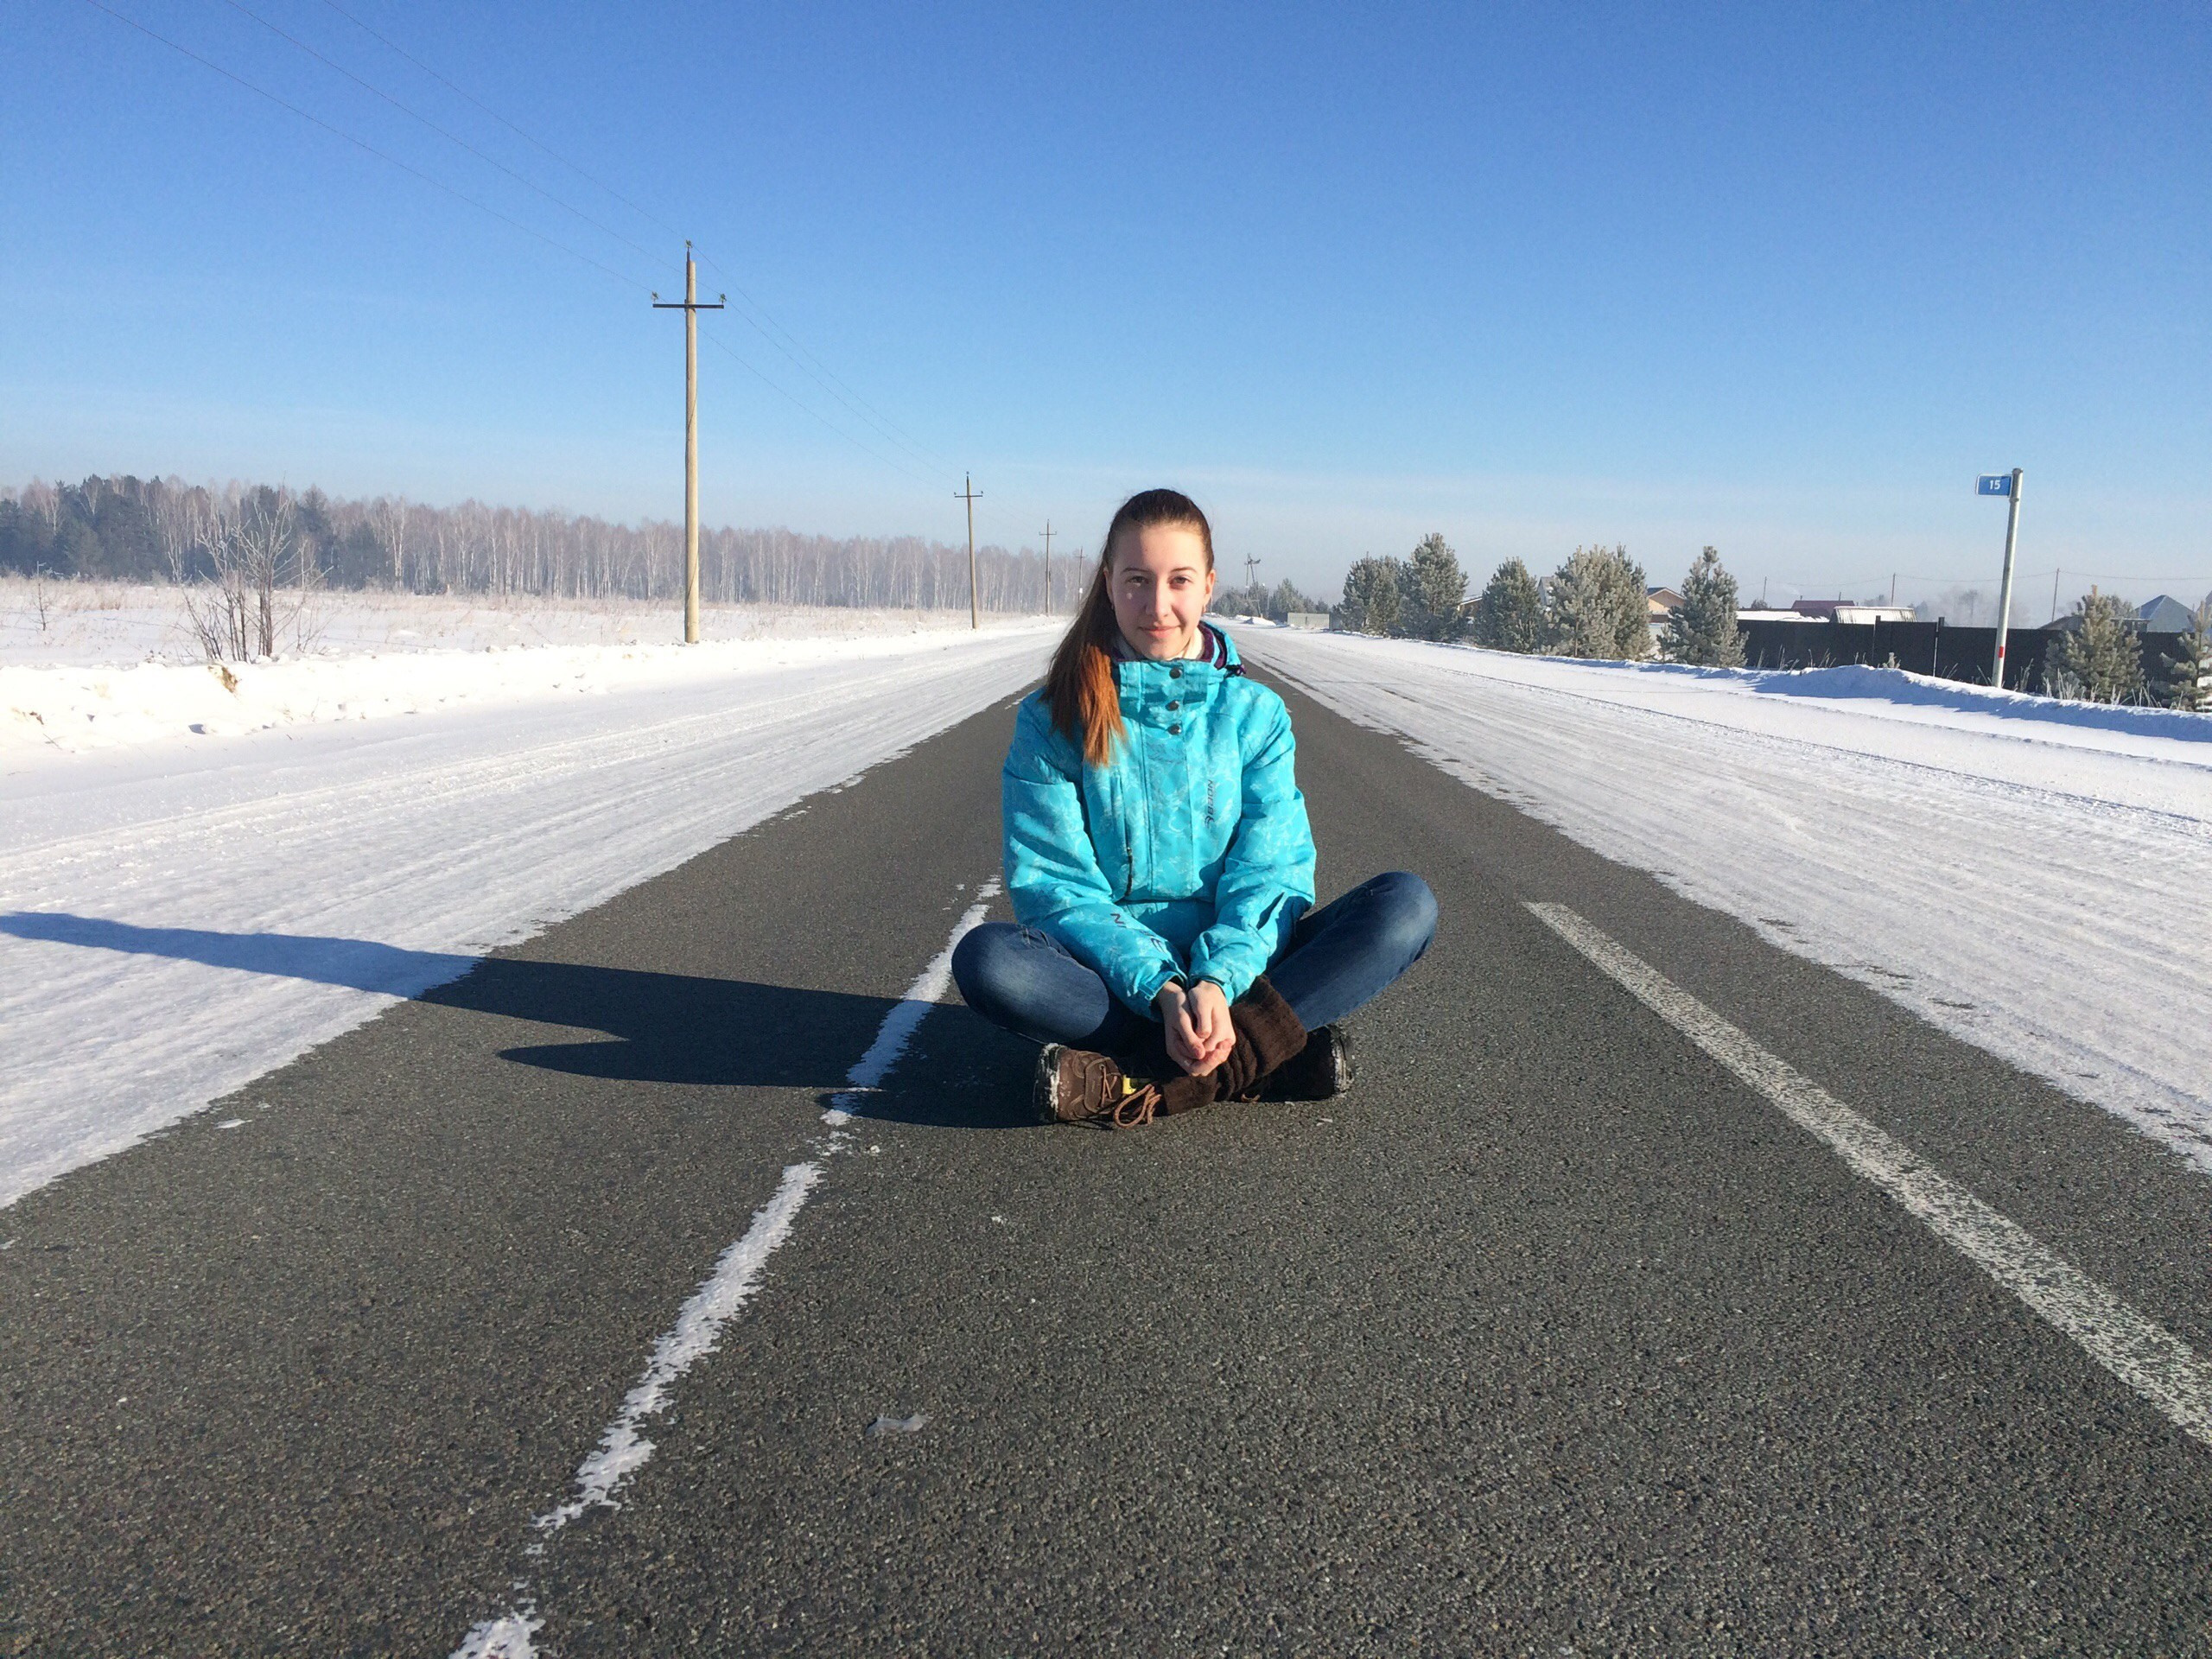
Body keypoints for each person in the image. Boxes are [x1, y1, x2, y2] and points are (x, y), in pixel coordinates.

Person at [951, 487, 1438, 1128]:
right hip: (1111, 983)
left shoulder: (1255, 716)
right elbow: (1058, 889)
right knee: (989, 962)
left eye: (1179, 580)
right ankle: (1260, 1054)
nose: (1158, 605)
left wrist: (1215, 982)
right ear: (1108, 585)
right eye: (1137, 581)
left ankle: (1142, 1076)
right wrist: (1160, 989)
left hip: (1243, 970)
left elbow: (1272, 871)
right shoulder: (1053, 720)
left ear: (1208, 587)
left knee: (1406, 907)